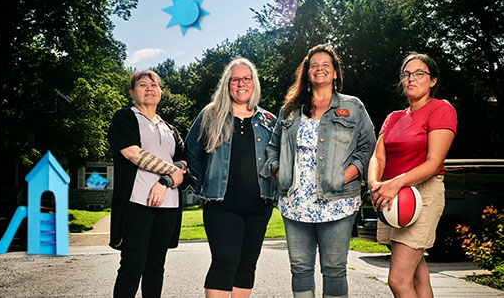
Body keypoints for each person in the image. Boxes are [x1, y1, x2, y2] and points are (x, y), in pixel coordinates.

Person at [263, 44, 376, 298]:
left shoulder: (353, 107)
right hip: (295, 203)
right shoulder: (290, 109)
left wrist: (348, 174)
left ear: (335, 72)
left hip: (338, 201)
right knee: (300, 268)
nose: (319, 69)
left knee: (334, 268)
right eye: (314, 65)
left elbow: (369, 146)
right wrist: (279, 170)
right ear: (307, 73)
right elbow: (272, 147)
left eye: (326, 64)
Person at [185, 58, 277, 298]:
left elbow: (277, 156)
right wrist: (204, 182)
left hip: (259, 205)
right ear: (227, 84)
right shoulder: (211, 114)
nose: (241, 84)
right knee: (225, 260)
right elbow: (191, 151)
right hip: (221, 205)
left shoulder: (268, 120)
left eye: (247, 78)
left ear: (254, 84)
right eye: (235, 79)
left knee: (247, 264)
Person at [367, 52, 457, 297]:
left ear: (433, 81)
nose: (411, 79)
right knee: (418, 273)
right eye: (406, 75)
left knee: (398, 280)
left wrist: (395, 183)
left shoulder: (441, 109)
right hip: (391, 197)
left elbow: (434, 162)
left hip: (421, 193)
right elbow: (379, 156)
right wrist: (375, 183)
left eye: (419, 74)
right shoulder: (393, 117)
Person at [107, 70, 187, 298]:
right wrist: (172, 170)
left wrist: (165, 180)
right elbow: (133, 153)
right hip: (137, 204)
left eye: (154, 84)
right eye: (142, 85)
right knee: (133, 264)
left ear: (160, 92)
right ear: (132, 93)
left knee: (156, 266)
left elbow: (183, 162)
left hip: (168, 207)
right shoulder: (125, 117)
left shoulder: (170, 128)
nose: (149, 88)